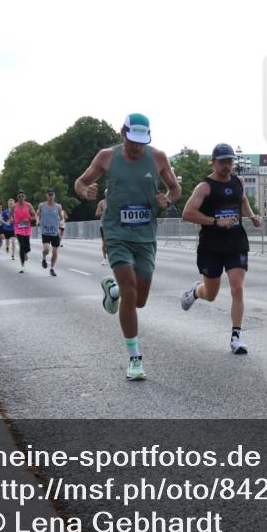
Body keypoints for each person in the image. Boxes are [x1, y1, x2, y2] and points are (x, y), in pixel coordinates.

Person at [74, 113, 182, 380]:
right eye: (133, 141)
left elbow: (176, 189)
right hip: (117, 232)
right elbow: (81, 181)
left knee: (140, 300)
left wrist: (167, 200)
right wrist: (83, 191)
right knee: (130, 290)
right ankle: (134, 357)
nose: (137, 147)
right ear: (123, 133)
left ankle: (112, 290)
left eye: (142, 142)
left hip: (145, 234)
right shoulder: (107, 157)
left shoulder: (157, 158)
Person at [179, 144, 261, 354]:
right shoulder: (204, 187)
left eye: (230, 161)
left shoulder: (238, 182)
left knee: (237, 287)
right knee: (211, 294)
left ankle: (236, 337)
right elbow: (187, 214)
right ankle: (196, 292)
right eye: (222, 162)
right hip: (211, 246)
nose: (227, 166)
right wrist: (216, 221)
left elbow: (241, 199)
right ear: (213, 162)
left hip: (236, 243)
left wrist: (251, 215)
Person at [38, 189, 64, 277]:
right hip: (45, 231)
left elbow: (61, 217)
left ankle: (52, 268)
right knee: (46, 250)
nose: (50, 196)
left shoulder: (58, 206)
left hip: (55, 232)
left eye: (52, 194)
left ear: (54, 195)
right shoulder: (42, 205)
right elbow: (37, 214)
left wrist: (60, 222)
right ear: (46, 195)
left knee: (55, 252)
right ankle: (44, 258)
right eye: (49, 194)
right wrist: (38, 220)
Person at [12, 191, 37, 273]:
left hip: (27, 228)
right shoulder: (14, 207)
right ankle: (22, 266)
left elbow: (34, 216)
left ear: (25, 197)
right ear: (17, 197)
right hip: (18, 228)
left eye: (22, 196)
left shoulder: (28, 205)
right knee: (21, 245)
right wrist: (12, 220)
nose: (21, 198)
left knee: (27, 246)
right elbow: (10, 217)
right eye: (19, 196)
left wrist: (29, 219)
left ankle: (26, 253)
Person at [95, 188, 109, 266]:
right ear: (104, 194)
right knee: (105, 242)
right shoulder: (101, 203)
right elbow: (97, 214)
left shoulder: (114, 202)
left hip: (113, 225)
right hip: (103, 225)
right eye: (107, 193)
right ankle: (104, 258)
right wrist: (105, 212)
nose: (108, 194)